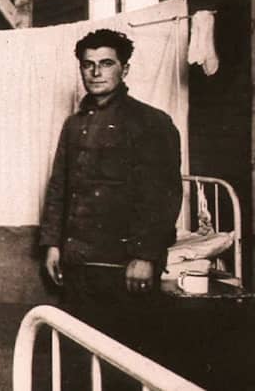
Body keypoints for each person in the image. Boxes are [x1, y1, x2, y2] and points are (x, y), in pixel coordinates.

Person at [39, 29, 182, 352]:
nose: (96, 72)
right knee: (78, 355)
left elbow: (162, 197)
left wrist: (145, 256)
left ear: (124, 69)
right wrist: (52, 244)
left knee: (126, 357)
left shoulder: (151, 122)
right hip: (78, 264)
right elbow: (60, 187)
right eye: (88, 64)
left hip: (124, 267)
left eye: (106, 63)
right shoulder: (74, 125)